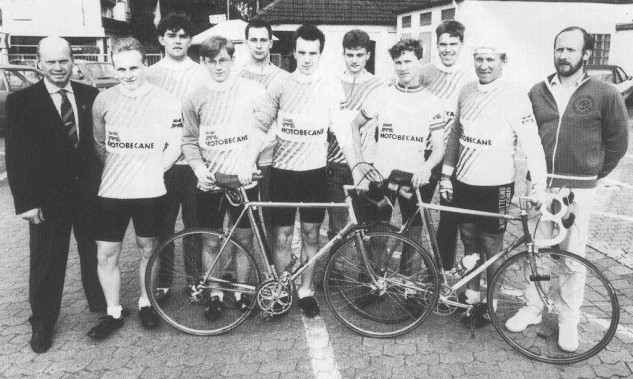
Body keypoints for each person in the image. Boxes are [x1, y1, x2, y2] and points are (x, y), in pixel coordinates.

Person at [505, 26, 628, 352]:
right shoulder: (538, 91)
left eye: (571, 50)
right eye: (559, 49)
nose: (563, 55)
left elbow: (617, 143)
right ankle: (532, 307)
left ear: (586, 54)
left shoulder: (605, 93)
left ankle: (568, 319)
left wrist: (590, 174)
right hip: (540, 188)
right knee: (536, 253)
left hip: (578, 192)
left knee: (572, 259)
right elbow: (524, 136)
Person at [5, 36, 106, 353]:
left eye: (64, 60)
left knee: (94, 252)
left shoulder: (91, 95)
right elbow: (17, 157)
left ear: (72, 61)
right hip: (48, 200)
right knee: (47, 261)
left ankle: (101, 303)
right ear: (38, 64)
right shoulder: (21, 102)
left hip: (89, 194)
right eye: (51, 61)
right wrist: (26, 203)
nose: (58, 67)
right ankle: (43, 322)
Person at [256, 24, 362, 318]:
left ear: (320, 54)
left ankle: (305, 290)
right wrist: (244, 160)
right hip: (283, 174)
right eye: (301, 52)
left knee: (311, 234)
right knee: (282, 236)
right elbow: (260, 126)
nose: (306, 58)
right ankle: (281, 289)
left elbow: (343, 131)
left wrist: (358, 167)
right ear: (293, 52)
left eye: (312, 53)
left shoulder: (330, 86)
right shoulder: (279, 84)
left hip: (315, 174)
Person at [440, 41, 548, 327]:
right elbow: (456, 134)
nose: (484, 65)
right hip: (464, 182)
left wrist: (539, 184)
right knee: (469, 241)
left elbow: (533, 143)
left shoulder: (514, 95)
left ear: (503, 60)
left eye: (490, 59)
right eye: (478, 59)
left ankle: (492, 303)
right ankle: (472, 297)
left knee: (492, 247)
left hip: (496, 185)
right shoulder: (466, 90)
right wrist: (446, 175)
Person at [87, 37, 182, 339]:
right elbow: (100, 146)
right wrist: (122, 167)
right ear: (114, 69)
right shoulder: (103, 100)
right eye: (121, 69)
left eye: (134, 67)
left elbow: (175, 143)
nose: (128, 74)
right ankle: (113, 311)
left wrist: (156, 168)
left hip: (150, 191)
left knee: (148, 249)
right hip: (112, 192)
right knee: (106, 254)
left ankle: (145, 303)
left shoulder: (165, 99)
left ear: (145, 64)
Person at [181, 36, 268, 320]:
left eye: (223, 60)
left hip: (243, 181)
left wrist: (251, 162)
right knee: (211, 241)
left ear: (232, 59)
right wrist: (198, 169)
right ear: (203, 62)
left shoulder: (252, 90)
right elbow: (189, 141)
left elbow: (265, 129)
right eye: (212, 61)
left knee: (244, 239)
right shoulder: (194, 96)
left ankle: (242, 293)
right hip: (211, 181)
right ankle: (216, 294)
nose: (218, 67)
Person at [351, 39, 445, 246]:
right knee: (377, 235)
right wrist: (360, 162)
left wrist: (427, 167)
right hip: (382, 176)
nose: (403, 68)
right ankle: (375, 278)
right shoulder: (381, 95)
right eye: (398, 62)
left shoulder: (432, 101)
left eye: (408, 61)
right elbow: (355, 125)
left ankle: (408, 279)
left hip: (414, 179)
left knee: (413, 236)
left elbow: (439, 148)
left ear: (420, 61)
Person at [146, 13, 209, 300]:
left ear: (190, 40)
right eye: (171, 35)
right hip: (164, 164)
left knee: (194, 226)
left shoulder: (201, 72)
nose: (177, 40)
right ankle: (164, 281)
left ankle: (196, 280)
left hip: (194, 163)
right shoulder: (150, 74)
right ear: (161, 39)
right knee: (164, 226)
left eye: (183, 35)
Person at [419, 20, 474, 272]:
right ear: (436, 44)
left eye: (453, 44)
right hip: (426, 153)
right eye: (442, 44)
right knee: (416, 214)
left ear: (461, 44)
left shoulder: (471, 76)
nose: (447, 49)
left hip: (455, 156)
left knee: (449, 217)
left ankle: (442, 274)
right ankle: (411, 274)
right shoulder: (425, 72)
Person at [326, 29, 384, 240]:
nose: (354, 60)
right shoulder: (332, 82)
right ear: (343, 54)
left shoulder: (379, 86)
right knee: (338, 228)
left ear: (368, 55)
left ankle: (365, 273)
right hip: (336, 165)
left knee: (367, 225)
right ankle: (335, 274)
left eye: (359, 55)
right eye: (350, 55)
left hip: (366, 164)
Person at [236, 19, 290, 246]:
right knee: (241, 219)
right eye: (253, 40)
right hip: (242, 157)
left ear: (271, 43)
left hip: (273, 159)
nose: (258, 45)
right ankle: (235, 270)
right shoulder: (236, 76)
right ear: (247, 43)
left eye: (263, 40)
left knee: (272, 217)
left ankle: (273, 272)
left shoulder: (283, 77)